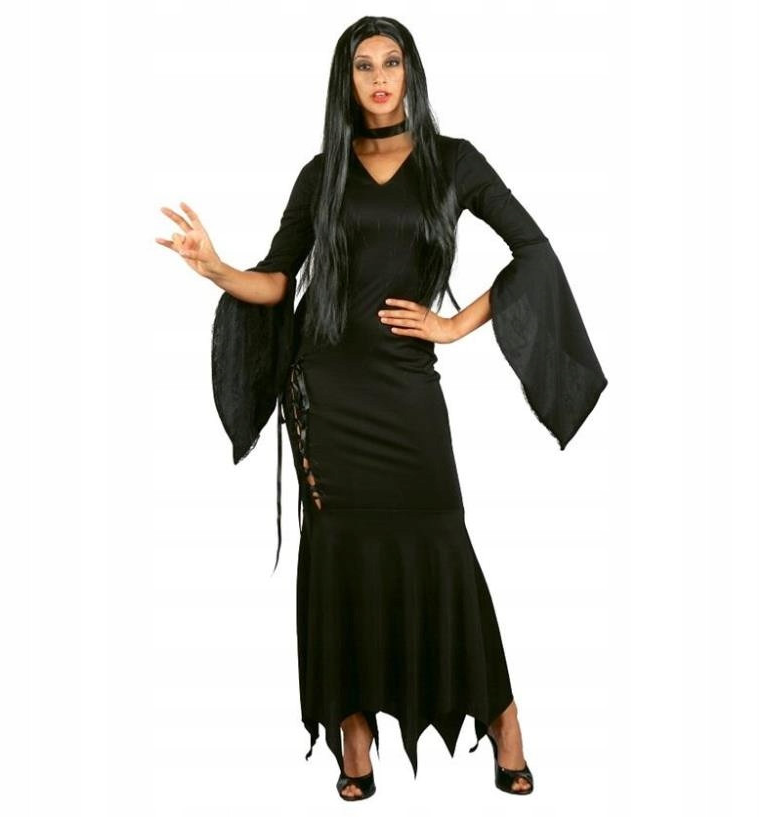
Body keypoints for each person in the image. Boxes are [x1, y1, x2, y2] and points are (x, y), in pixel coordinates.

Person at [156, 16, 607, 801]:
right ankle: (354, 737)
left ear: (410, 72)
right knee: (340, 559)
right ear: (347, 80)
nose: (378, 79)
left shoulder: (453, 162)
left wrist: (453, 325)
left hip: (407, 390)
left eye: (391, 63)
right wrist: (216, 268)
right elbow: (278, 280)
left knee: (443, 545)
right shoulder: (321, 173)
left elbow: (533, 251)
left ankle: (504, 721)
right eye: (363, 66)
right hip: (325, 396)